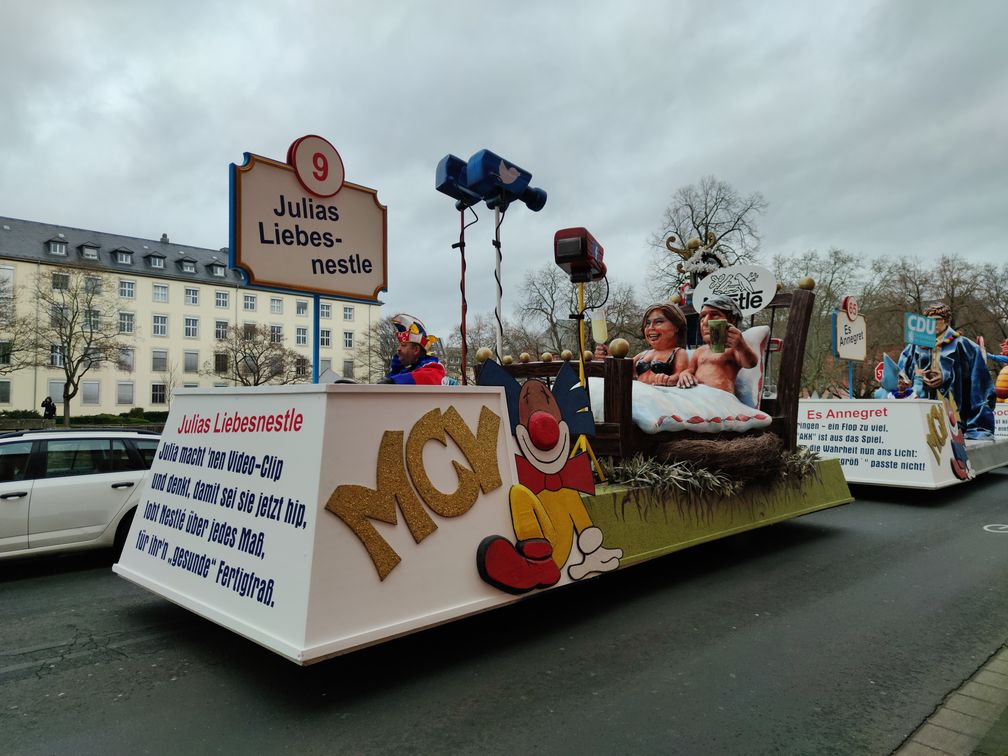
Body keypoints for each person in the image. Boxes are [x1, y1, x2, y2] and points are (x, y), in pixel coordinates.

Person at [898, 303, 996, 440]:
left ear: (946, 320)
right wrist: (916, 377)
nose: (931, 324)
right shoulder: (915, 346)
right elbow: (903, 370)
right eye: (928, 321)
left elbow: (980, 385)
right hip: (925, 405)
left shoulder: (965, 345)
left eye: (936, 320)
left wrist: (945, 376)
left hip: (955, 407)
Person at [676, 294, 758, 392]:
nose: (705, 321)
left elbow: (750, 363)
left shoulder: (733, 349)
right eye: (702, 316)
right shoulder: (700, 351)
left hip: (720, 399)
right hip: (698, 396)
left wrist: (741, 346)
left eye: (715, 315)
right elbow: (690, 369)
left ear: (732, 320)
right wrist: (684, 374)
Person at [380, 313, 447, 385]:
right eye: (399, 345)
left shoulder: (433, 367)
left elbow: (426, 377)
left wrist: (393, 381)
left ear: (416, 350)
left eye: (403, 345)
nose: (398, 349)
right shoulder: (405, 370)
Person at [632, 304, 689, 386]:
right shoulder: (643, 354)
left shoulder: (679, 353)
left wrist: (670, 379)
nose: (651, 327)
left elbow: (681, 375)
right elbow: (624, 366)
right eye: (647, 323)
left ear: (676, 326)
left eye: (658, 322)